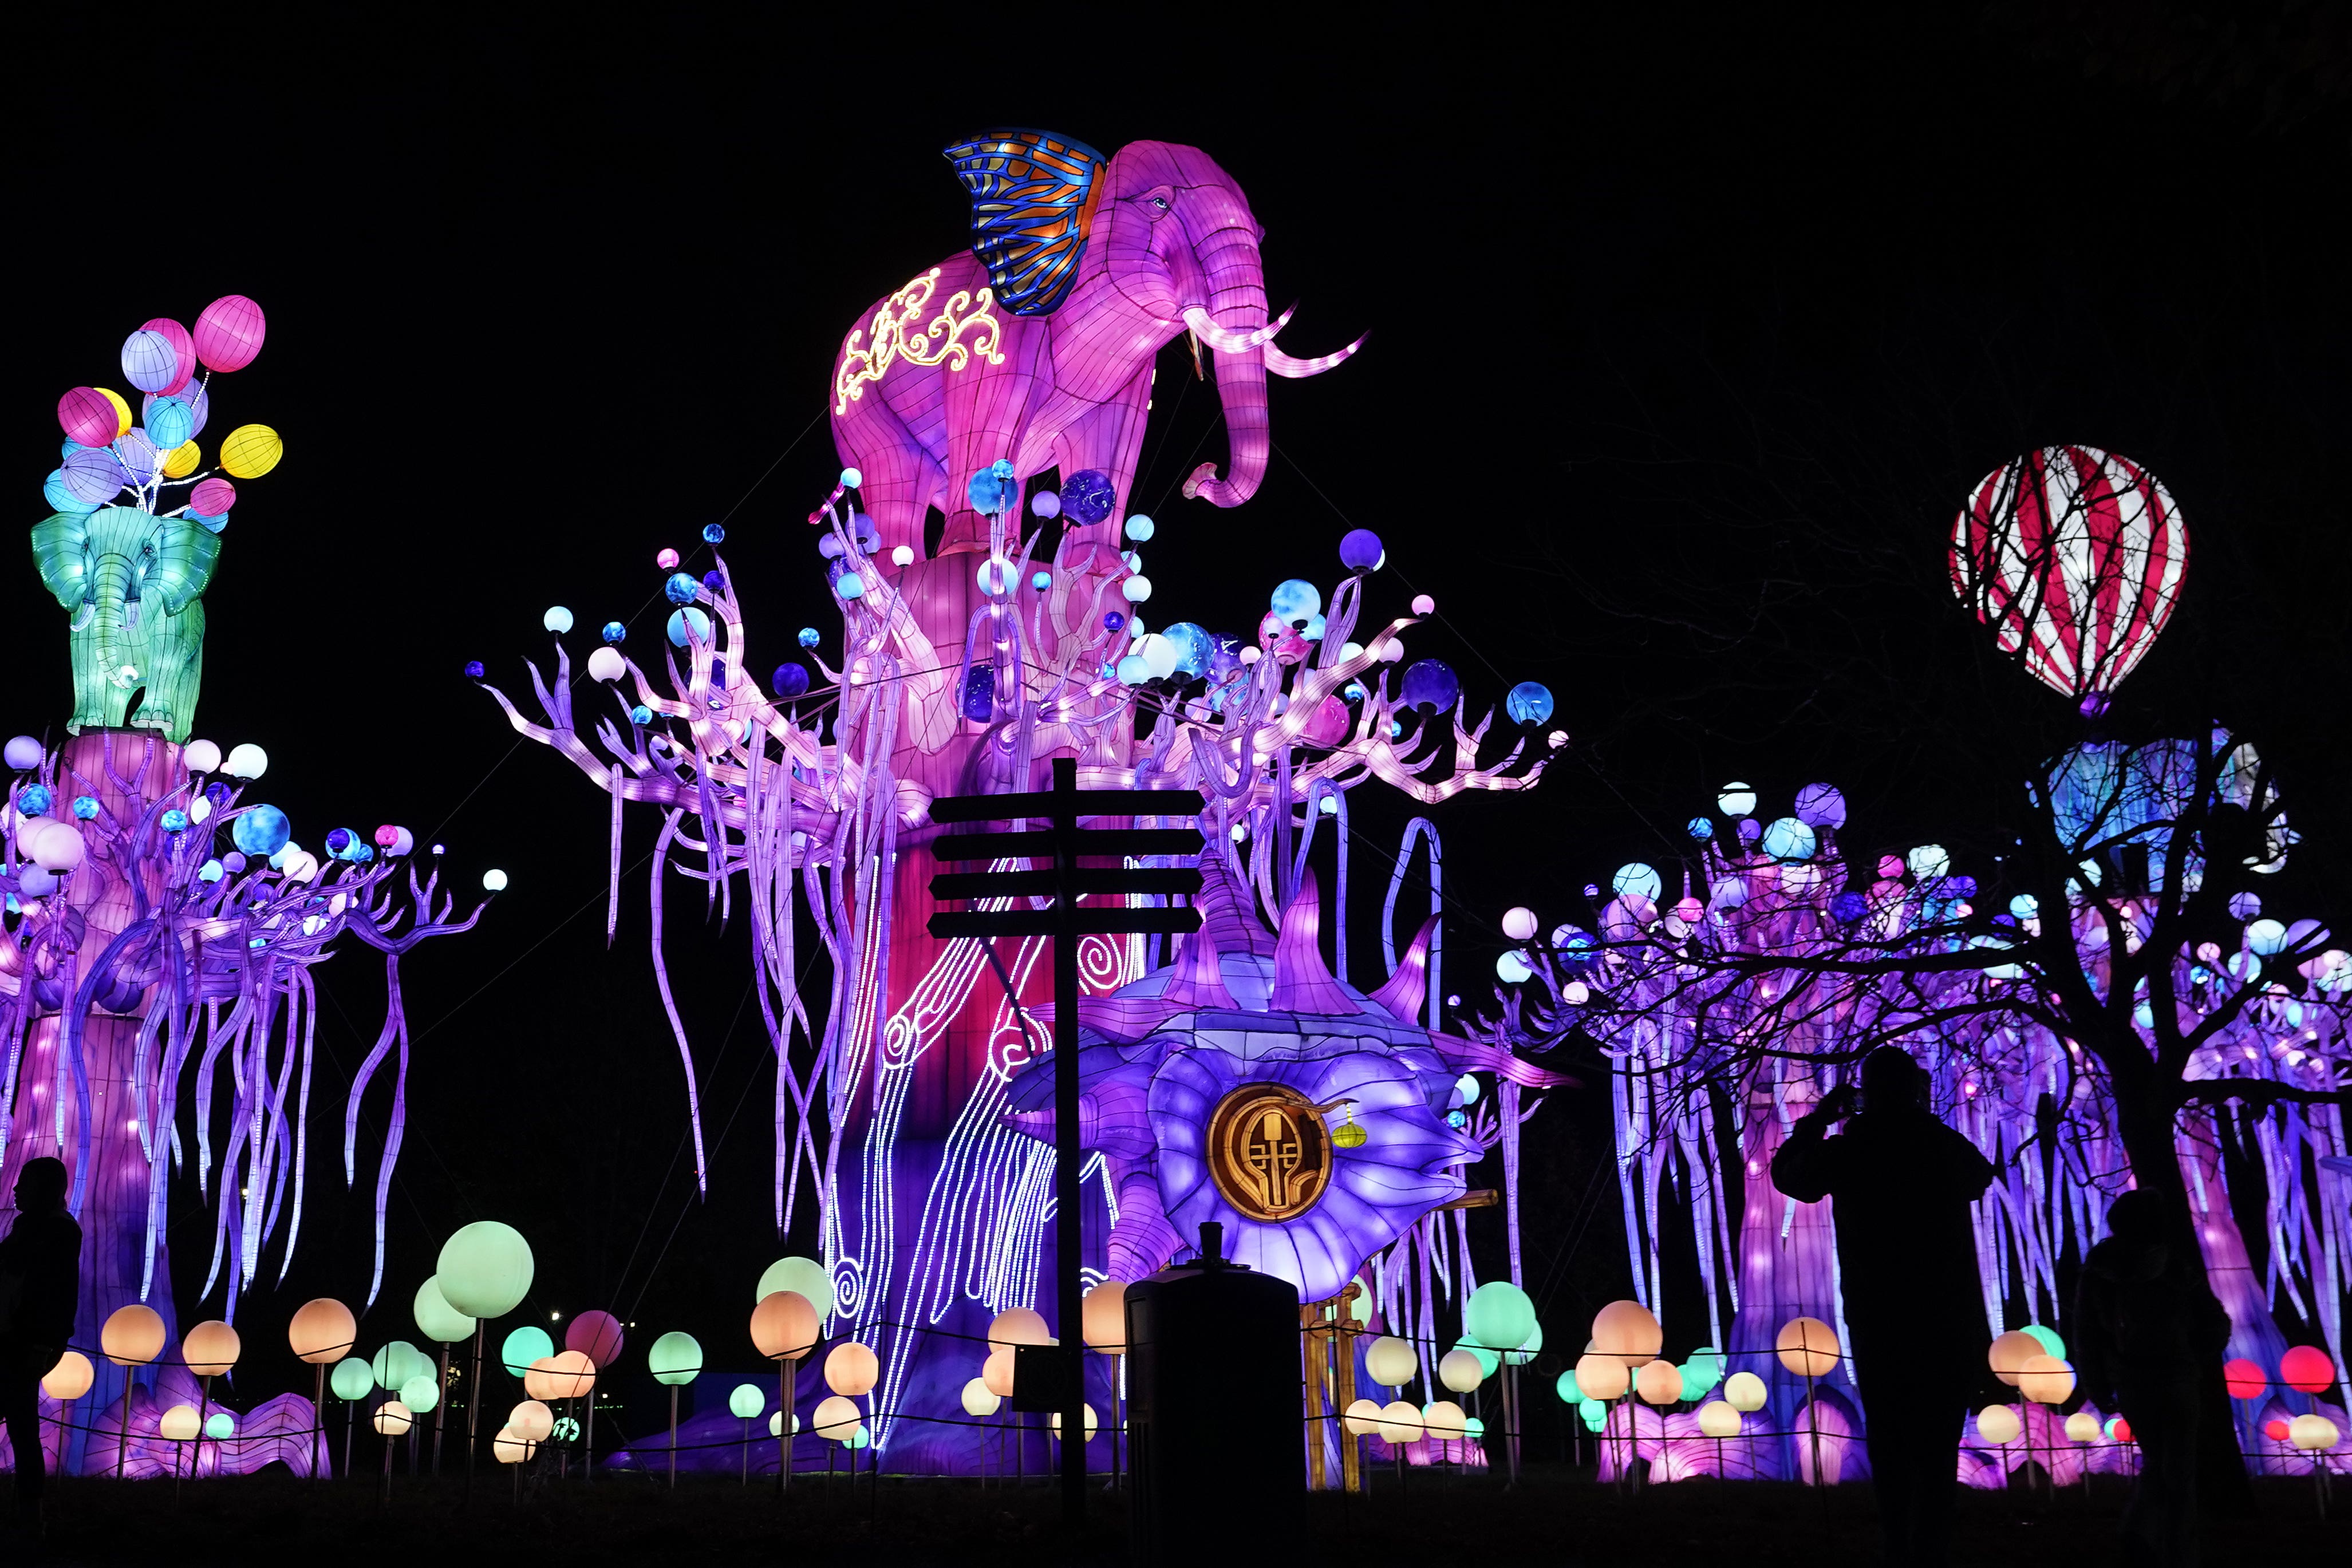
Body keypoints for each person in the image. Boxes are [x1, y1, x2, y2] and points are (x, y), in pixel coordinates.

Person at [1773, 1046, 1996, 1567]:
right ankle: (1930, 1549)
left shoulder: (1852, 1150)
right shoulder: (1936, 1143)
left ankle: (1899, 1545)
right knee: (1938, 1444)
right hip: (1944, 1313)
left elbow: (1789, 1175)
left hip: (1879, 1315)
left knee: (1891, 1438)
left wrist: (1819, 1121)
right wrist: (1921, 1115)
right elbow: (1979, 1176)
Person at [2073, 1188, 2230, 1568]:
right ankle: (2177, 1550)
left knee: (2157, 1460)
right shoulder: (2175, 1267)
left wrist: (2097, 1381)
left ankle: (2140, 1528)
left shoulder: (2100, 1271)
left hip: (2130, 1377)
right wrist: (2196, 1356)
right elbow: (2215, 1321)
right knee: (2179, 1467)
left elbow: (2085, 1332)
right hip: (2176, 1374)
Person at [0, 1158, 81, 1526]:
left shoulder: (54, 1231)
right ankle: (29, 1515)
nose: (16, 1189)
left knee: (22, 1425)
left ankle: (29, 1516)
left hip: (24, 1341)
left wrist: (42, 1344)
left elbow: (52, 1293)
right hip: (21, 1339)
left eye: (25, 1183)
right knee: (22, 1424)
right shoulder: (37, 1227)